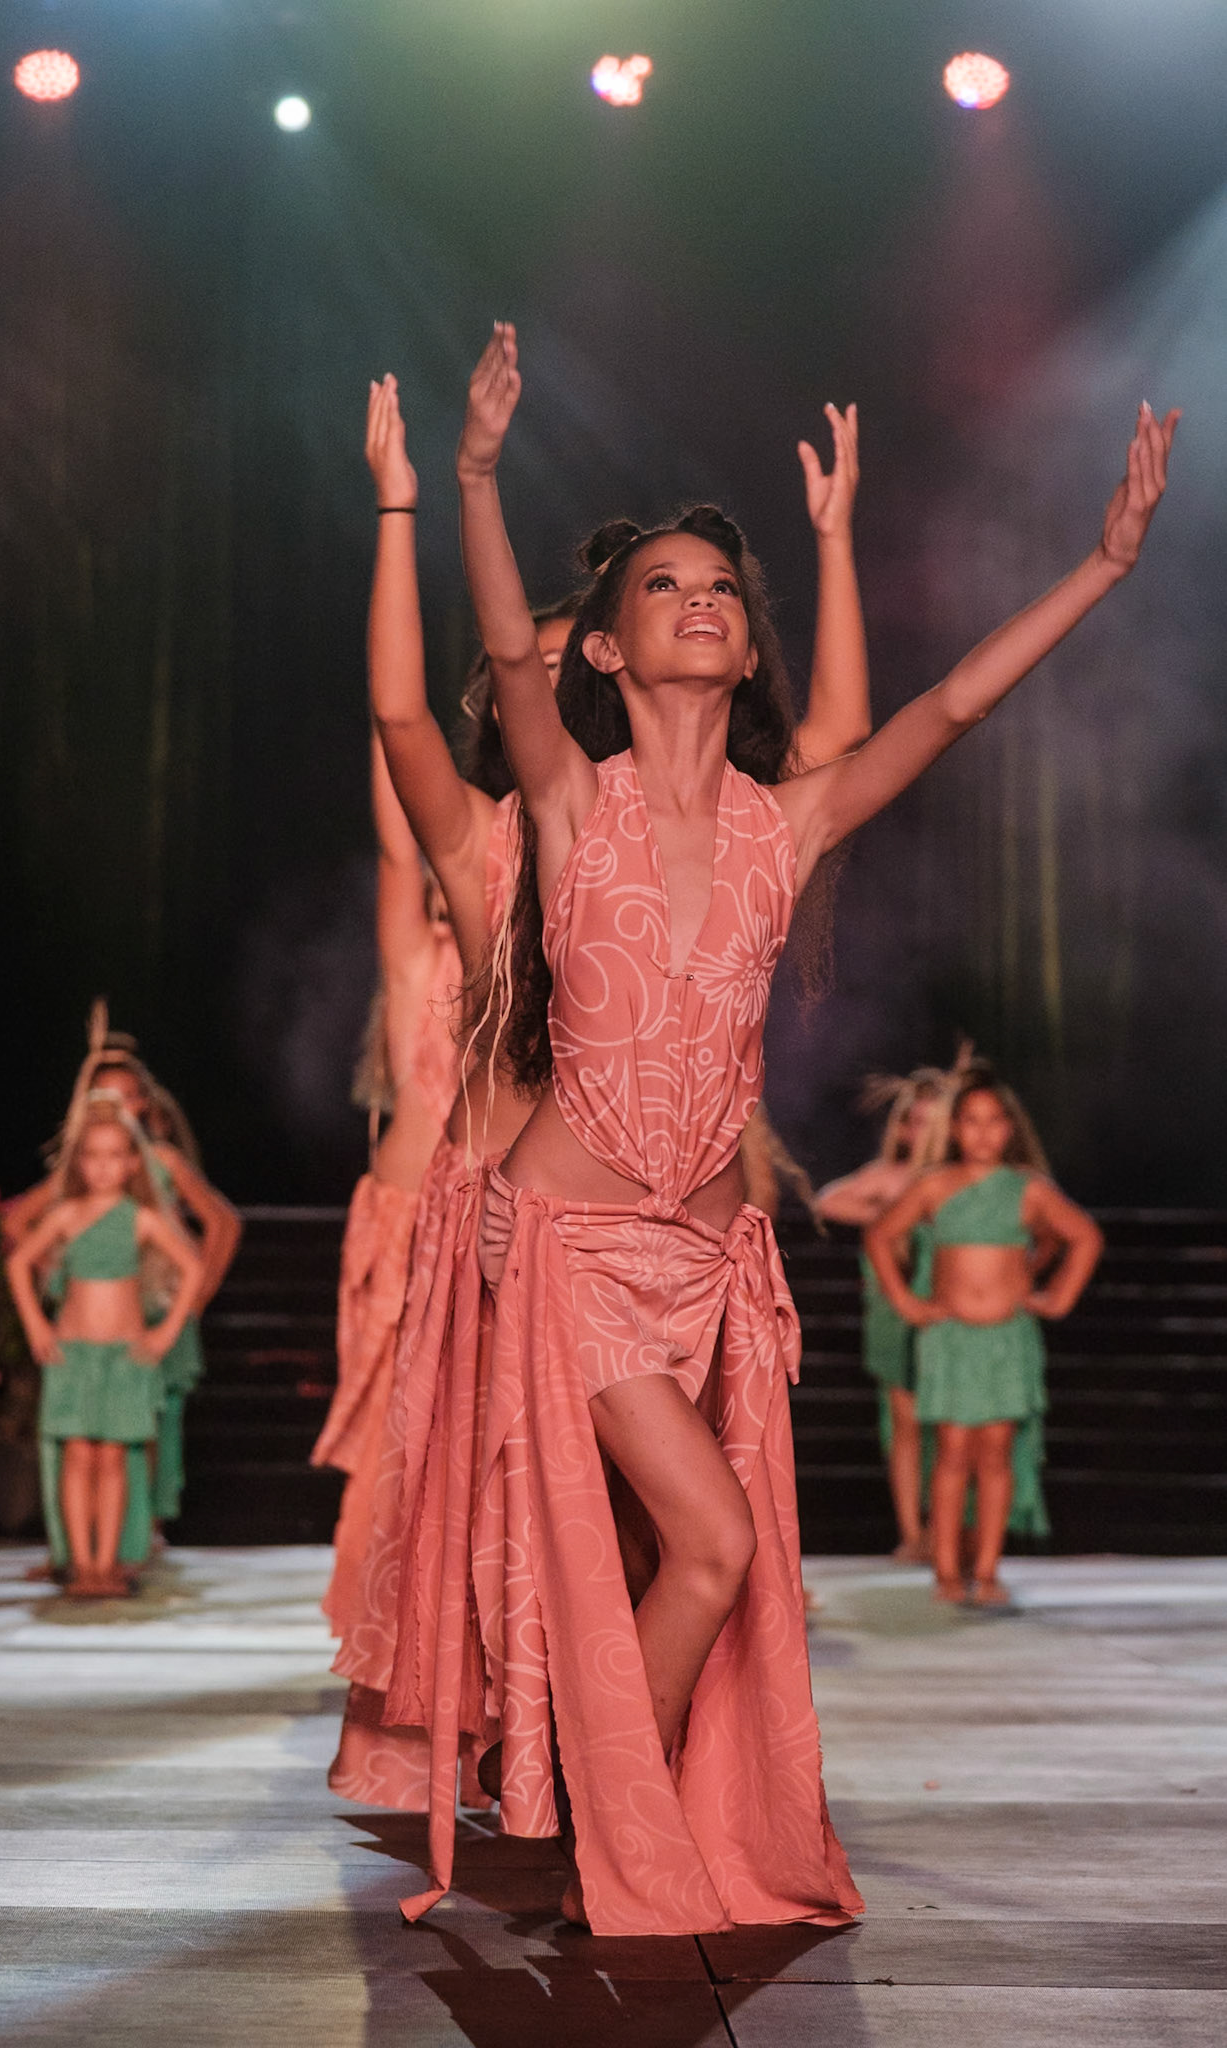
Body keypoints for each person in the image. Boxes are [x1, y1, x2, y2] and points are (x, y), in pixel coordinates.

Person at [441, 321, 1174, 1935]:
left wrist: (1105, 565)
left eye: (722, 586)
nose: (702, 600)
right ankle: (605, 1828)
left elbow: (954, 703)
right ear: (608, 651)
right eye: (664, 588)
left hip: (707, 1263)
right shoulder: (569, 799)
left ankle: (580, 1802)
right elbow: (501, 646)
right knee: (708, 1547)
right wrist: (478, 475)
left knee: (679, 1559)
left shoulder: (790, 822)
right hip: (571, 1253)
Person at [327, 370, 873, 1832]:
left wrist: (832, 545)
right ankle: (571, 1782)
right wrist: (405, 505)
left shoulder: (676, 832)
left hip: (667, 1236)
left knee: (652, 1538)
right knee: (536, 1529)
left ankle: (604, 1783)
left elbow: (836, 741)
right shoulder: (491, 845)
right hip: (531, 1243)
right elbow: (397, 711)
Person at [311, 735, 463, 1641]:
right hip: (409, 1226)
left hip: (497, 1226)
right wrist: (389, 717)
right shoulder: (419, 965)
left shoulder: (536, 969)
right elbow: (399, 851)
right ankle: (387, 1637)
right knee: (396, 1442)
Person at [5, 1009, 241, 1569]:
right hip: (88, 1325)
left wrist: (193, 1301)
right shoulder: (84, 1172)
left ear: (146, 1105)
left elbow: (222, 1224)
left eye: (127, 1096)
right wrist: (59, 1279)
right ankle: (82, 1553)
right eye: (101, 1095)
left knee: (140, 1431)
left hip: (151, 1314)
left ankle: (137, 1542)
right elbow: (19, 1226)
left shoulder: (157, 1162)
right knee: (82, 1440)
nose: (114, 1105)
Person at [865, 1070, 1103, 1605]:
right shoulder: (934, 1185)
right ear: (953, 1129)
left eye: (994, 1121)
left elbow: (1084, 1235)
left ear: (1010, 1129)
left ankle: (989, 1569)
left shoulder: (1027, 1189)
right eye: (970, 1121)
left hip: (1005, 1341)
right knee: (951, 1452)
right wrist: (906, 1302)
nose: (982, 1132)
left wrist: (1058, 1297)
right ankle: (947, 1569)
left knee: (996, 1454)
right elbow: (880, 1234)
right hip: (950, 1339)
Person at [5, 1095, 204, 1597]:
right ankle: (81, 1565)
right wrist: (36, 1326)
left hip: (124, 1356)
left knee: (114, 1460)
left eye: (115, 1155)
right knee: (77, 1458)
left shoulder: (141, 1218)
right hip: (73, 1355)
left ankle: (107, 1564)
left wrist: (166, 1331)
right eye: (93, 1155)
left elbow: (192, 1266)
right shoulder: (68, 1215)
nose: (103, 1166)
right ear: (78, 1162)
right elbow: (18, 1262)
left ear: (133, 1162)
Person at [816, 1064, 955, 1558]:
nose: (920, 1132)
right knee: (904, 1420)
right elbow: (828, 1201)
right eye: (913, 1121)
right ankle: (911, 1532)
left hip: (946, 1307)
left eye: (932, 1122)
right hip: (892, 1310)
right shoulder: (890, 1177)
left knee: (951, 1420)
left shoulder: (954, 1180)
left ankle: (945, 1529)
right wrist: (889, 1217)